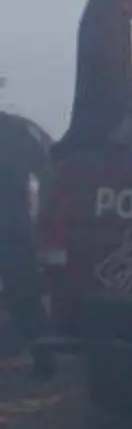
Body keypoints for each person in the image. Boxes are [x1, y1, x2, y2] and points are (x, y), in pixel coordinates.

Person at [0, 111, 53, 379]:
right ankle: (44, 357)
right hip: (14, 226)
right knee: (23, 295)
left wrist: (46, 216)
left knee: (23, 296)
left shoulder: (18, 130)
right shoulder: (20, 130)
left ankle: (45, 358)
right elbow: (48, 169)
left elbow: (48, 171)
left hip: (12, 227)